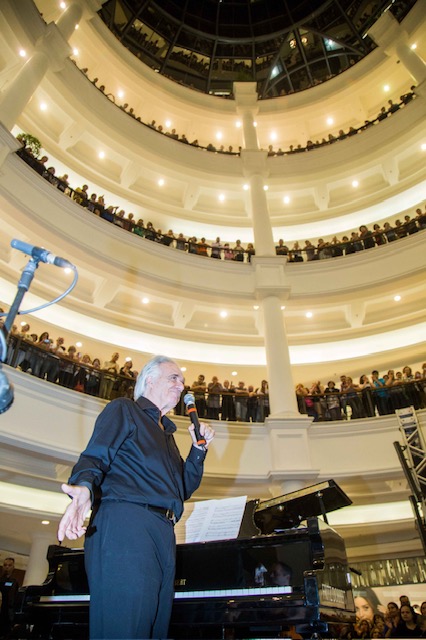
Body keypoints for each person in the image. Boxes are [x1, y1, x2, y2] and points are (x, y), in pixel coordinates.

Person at [57, 355, 215, 640]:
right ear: (149, 380)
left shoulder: (166, 434)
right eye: (174, 378)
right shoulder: (124, 410)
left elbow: (182, 488)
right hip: (126, 525)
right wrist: (83, 487)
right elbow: (96, 455)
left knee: (153, 629)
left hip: (163, 532)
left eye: (182, 381)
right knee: (125, 628)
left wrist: (198, 451)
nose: (181, 386)